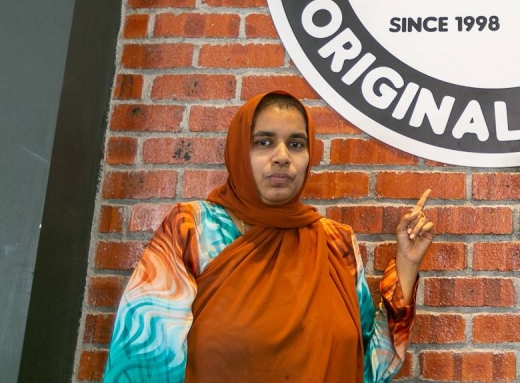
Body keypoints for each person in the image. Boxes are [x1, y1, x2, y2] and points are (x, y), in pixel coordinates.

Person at [104, 91, 435, 382]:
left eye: (296, 144)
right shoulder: (193, 228)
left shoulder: (336, 243)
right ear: (238, 149)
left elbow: (368, 368)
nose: (282, 156)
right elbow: (144, 361)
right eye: (264, 142)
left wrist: (406, 262)